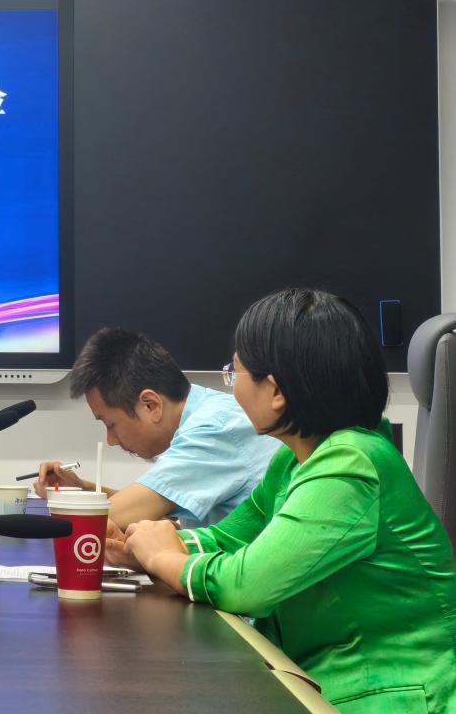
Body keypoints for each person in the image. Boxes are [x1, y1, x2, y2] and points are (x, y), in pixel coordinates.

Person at [121, 289, 456, 711]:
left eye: (235, 372)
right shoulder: (294, 460)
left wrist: (163, 559)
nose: (231, 386)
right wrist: (137, 547)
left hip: (395, 698)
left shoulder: (351, 465)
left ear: (276, 391)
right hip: (321, 685)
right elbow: (230, 538)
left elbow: (248, 585)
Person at [33, 327, 278, 529]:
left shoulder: (214, 430)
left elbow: (108, 520)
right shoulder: (207, 413)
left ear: (150, 405)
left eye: (110, 424)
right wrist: (81, 489)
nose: (111, 440)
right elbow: (153, 510)